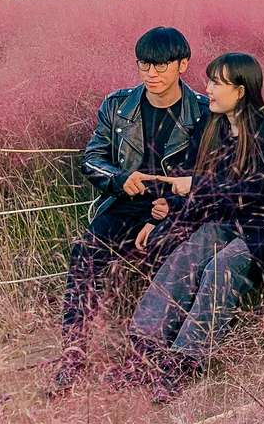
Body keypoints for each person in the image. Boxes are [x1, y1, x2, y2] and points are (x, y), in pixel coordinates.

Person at [46, 28, 210, 395]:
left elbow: (211, 175)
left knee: (175, 261)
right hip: (124, 204)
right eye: (144, 64)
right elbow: (92, 158)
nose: (151, 73)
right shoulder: (118, 105)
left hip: (177, 210)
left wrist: (174, 205)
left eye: (162, 65)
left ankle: (158, 360)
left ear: (183, 64)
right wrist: (121, 179)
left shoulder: (201, 111)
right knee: (85, 255)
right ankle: (73, 354)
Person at [126, 53, 264, 403]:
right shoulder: (211, 124)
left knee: (221, 268)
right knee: (186, 255)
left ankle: (183, 361)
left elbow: (253, 190)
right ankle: (143, 347)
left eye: (216, 83)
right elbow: (185, 176)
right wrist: (159, 217)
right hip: (222, 220)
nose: (208, 90)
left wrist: (199, 186)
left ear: (241, 89)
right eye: (209, 82)